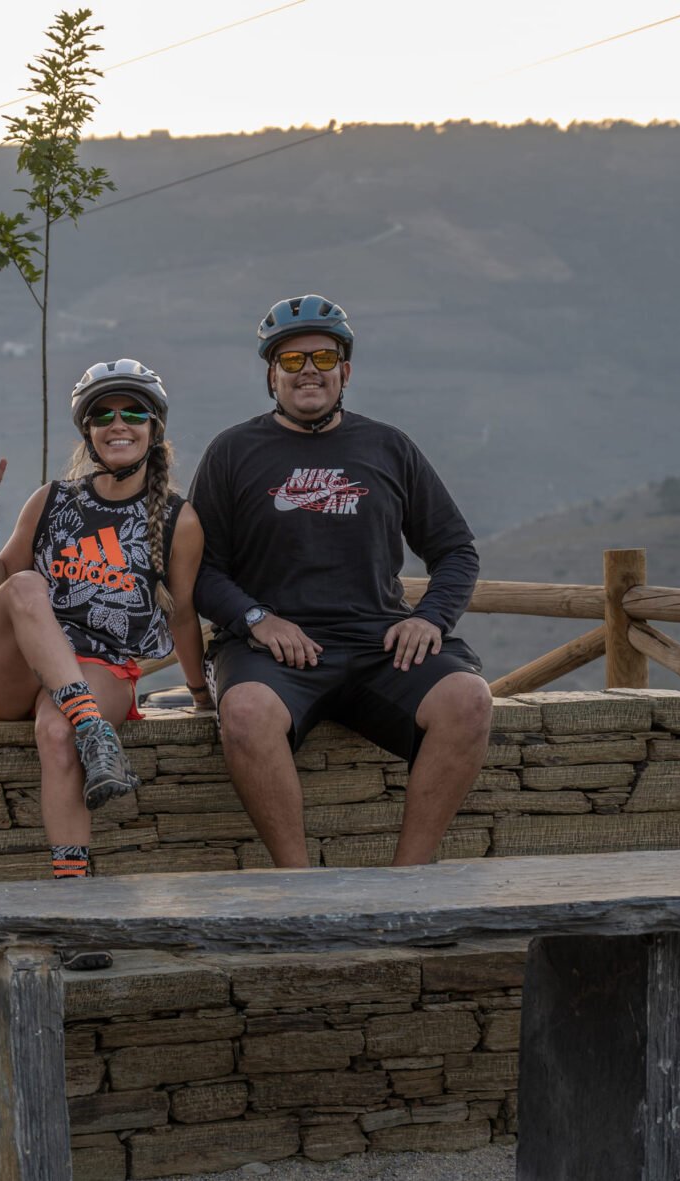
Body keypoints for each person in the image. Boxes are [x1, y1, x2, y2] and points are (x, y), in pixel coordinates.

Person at [188, 294, 493, 868]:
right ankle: (298, 889)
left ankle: (408, 881)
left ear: (345, 372)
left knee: (469, 700)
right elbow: (200, 570)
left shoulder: (389, 447)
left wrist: (431, 618)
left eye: (324, 358)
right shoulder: (231, 452)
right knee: (246, 712)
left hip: (379, 645)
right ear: (271, 375)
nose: (309, 371)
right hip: (273, 653)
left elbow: (455, 550)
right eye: (292, 360)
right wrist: (256, 619)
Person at [0, 359, 208, 967]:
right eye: (103, 414)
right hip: (14, 667)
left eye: (132, 412)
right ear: (88, 431)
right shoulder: (53, 500)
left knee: (57, 731)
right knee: (25, 586)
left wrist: (202, 694)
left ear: (154, 427)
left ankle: (73, 909)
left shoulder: (179, 519)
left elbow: (182, 616)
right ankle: (95, 729)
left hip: (101, 664)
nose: (117, 424)